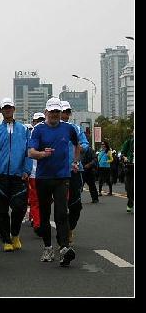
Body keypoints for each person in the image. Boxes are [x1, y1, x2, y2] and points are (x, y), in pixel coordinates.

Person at [28, 97, 79, 267]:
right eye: (52, 112)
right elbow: (30, 152)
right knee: (44, 214)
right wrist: (42, 154)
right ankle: (48, 247)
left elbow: (77, 144)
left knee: (61, 213)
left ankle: (64, 248)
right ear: (46, 113)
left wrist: (75, 161)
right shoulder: (38, 130)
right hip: (43, 178)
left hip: (62, 177)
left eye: (58, 111)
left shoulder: (68, 128)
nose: (55, 114)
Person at [0, 98, 32, 252]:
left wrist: (26, 170)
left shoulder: (23, 130)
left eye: (10, 108)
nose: (7, 110)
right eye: (5, 108)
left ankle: (15, 234)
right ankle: (6, 240)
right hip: (1, 175)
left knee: (19, 208)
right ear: (1, 111)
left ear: (14, 109)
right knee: (1, 210)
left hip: (18, 175)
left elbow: (28, 151)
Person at [60, 101, 89, 245]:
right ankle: (62, 234)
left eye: (67, 111)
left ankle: (70, 228)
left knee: (75, 205)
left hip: (75, 170)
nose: (65, 114)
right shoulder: (53, 128)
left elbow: (85, 144)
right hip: (58, 172)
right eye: (63, 111)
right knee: (60, 205)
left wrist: (81, 148)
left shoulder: (76, 128)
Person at [28, 112, 45, 236]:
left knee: (45, 200)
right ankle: (38, 224)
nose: (39, 122)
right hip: (33, 173)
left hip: (47, 173)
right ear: (33, 122)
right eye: (37, 120)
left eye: (41, 120)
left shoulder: (49, 133)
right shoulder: (29, 135)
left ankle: (39, 220)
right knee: (35, 201)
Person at [81, 135, 98, 203]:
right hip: (81, 170)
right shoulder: (79, 149)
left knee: (92, 185)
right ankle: (77, 199)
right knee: (79, 186)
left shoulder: (90, 150)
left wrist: (89, 164)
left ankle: (95, 198)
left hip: (89, 170)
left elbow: (95, 159)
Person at [121, 129, 134, 213]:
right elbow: (122, 153)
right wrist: (124, 157)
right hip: (129, 167)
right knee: (128, 188)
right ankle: (130, 201)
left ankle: (131, 202)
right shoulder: (129, 142)